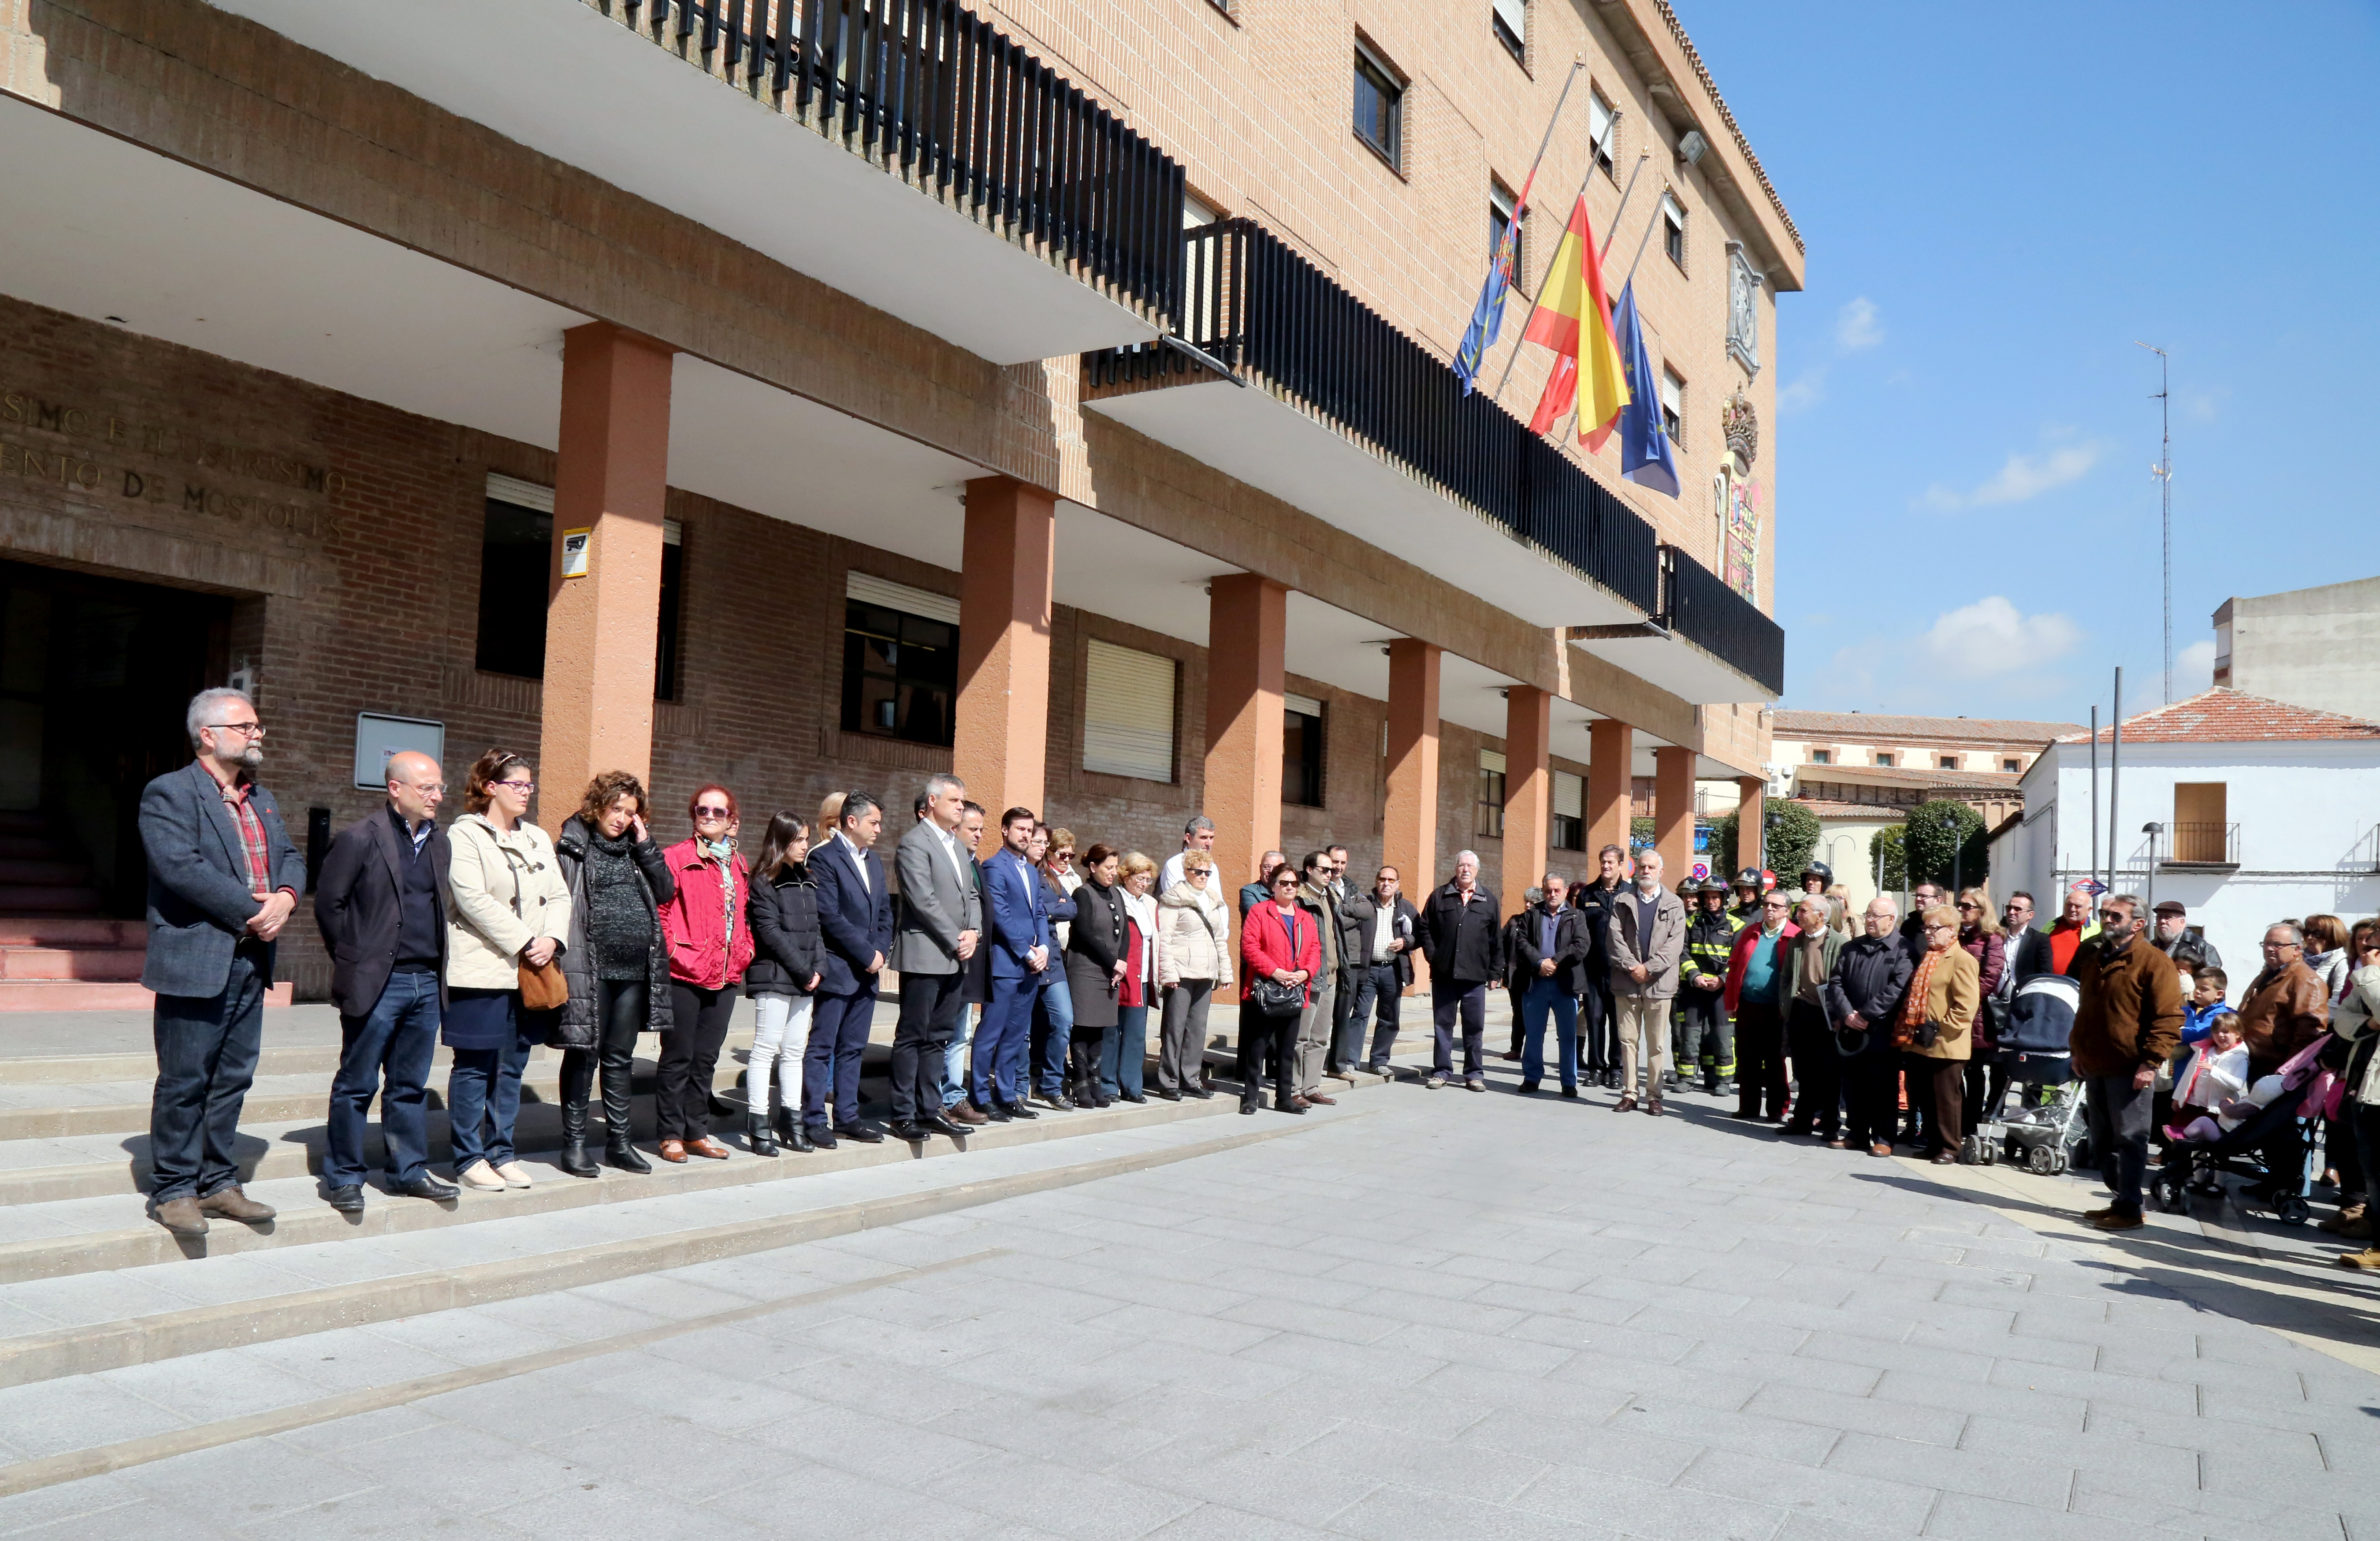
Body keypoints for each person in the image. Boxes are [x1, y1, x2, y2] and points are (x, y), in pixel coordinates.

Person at [138, 688, 305, 1237]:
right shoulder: (170, 792)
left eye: (258, 726)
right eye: (245, 726)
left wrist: (286, 897)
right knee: (185, 1079)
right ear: (207, 735)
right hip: (197, 955)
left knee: (233, 1077)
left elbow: (290, 856)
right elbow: (180, 868)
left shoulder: (262, 798)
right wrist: (254, 911)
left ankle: (218, 1182)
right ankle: (174, 1189)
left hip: (251, 959)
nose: (257, 734)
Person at [311, 750, 457, 1210]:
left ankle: (408, 1171)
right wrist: (356, 962)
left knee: (409, 1086)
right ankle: (344, 1177)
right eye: (427, 788)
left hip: (426, 981)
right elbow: (329, 906)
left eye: (439, 788)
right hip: (378, 983)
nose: (437, 796)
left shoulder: (439, 842)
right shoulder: (359, 838)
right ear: (396, 789)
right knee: (357, 1084)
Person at [441, 750, 568, 1192]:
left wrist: (552, 939)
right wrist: (526, 940)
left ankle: (501, 1152)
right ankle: (468, 1157)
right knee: (475, 1066)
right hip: (482, 968)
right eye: (517, 784)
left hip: (530, 970)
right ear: (490, 787)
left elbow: (560, 895)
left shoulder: (537, 837)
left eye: (530, 785)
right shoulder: (465, 834)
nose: (526, 792)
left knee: (512, 1066)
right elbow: (471, 899)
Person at [552, 771, 676, 1177]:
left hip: (635, 969)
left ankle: (619, 1144)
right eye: (616, 809)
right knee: (584, 1053)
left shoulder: (636, 850)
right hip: (591, 966)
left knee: (621, 1057)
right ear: (598, 805)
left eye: (630, 813)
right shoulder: (574, 845)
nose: (621, 819)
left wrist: (645, 843)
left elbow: (666, 890)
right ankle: (574, 1145)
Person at [2068, 893, 2184, 1230]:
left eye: (2115, 916)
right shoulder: (2096, 955)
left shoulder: (2154, 962)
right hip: (2096, 1063)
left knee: (2130, 1139)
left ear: (2138, 924)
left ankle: (2131, 1210)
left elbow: (2168, 1018)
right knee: (2103, 1141)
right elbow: (2086, 1009)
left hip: (2130, 1067)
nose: (2107, 919)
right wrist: (2078, 1050)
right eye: (2104, 913)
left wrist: (2150, 1063)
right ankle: (2122, 1201)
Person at [653, 785, 753, 1163]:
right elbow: (661, 912)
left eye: (718, 812)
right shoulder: (676, 858)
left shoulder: (738, 864)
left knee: (706, 1058)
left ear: (732, 821)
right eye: (702, 810)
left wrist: (746, 950)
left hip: (726, 973)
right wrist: (675, 951)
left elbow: (743, 914)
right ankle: (671, 1135)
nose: (709, 816)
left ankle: (696, 1132)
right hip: (685, 972)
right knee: (678, 1057)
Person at [886, 774, 978, 1144]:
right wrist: (956, 937)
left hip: (956, 955)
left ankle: (930, 1108)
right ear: (933, 801)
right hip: (926, 953)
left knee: (939, 1036)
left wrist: (973, 932)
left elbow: (972, 895)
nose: (960, 807)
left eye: (962, 801)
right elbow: (923, 900)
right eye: (955, 800)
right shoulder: (914, 843)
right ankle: (903, 1114)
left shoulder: (957, 846)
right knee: (913, 1035)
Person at [806, 792, 895, 1147]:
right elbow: (829, 915)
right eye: (874, 822)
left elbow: (885, 911)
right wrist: (865, 953)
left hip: (867, 972)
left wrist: (880, 952)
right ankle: (814, 1119)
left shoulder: (873, 861)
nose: (879, 830)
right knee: (823, 1046)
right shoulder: (825, 858)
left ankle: (847, 1117)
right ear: (852, 821)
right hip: (840, 968)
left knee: (854, 1048)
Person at [743, 811, 822, 1155]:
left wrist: (819, 968)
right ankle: (759, 1125)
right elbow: (769, 931)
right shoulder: (764, 879)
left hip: (805, 979)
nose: (805, 846)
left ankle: (792, 1121)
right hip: (775, 976)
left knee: (794, 1052)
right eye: (798, 840)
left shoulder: (807, 878)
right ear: (781, 841)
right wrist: (804, 971)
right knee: (765, 1048)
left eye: (807, 839)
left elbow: (817, 929)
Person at [978, 807, 1057, 1121]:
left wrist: (1045, 948)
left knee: (1016, 1035)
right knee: (991, 1033)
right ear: (1004, 830)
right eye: (1020, 829)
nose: (1026, 835)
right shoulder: (994, 867)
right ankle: (980, 1096)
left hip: (1031, 966)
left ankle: (1007, 1095)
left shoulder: (1031, 871)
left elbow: (1039, 912)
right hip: (1006, 963)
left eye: (1029, 830)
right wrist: (1027, 951)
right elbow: (1000, 915)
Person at [1825, 898, 1914, 1157]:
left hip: (1882, 1029)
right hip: (1852, 1028)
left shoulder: (1903, 949)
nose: (1870, 920)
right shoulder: (1852, 947)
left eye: (1876, 916)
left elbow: (1898, 989)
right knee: (1854, 1083)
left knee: (1883, 1085)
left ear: (1891, 920)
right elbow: (1836, 982)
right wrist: (1847, 1014)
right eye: (1868, 915)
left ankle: (1884, 1137)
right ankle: (1857, 1134)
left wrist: (1866, 1015)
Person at [1606, 849, 1685, 1115]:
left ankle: (1654, 1096)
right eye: (1642, 867)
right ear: (1636, 870)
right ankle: (1630, 1094)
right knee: (1628, 1041)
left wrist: (1649, 969)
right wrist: (1633, 967)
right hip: (1627, 982)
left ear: (1661, 872)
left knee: (1656, 1045)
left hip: (1659, 985)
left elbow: (1674, 945)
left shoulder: (1674, 904)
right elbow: (1614, 939)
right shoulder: (1622, 901)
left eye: (1651, 867)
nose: (1646, 871)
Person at [1417, 851, 1502, 1091]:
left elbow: (1496, 939)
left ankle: (1474, 1074)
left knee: (1474, 1028)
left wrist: (1495, 972)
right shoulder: (1439, 896)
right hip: (1445, 975)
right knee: (1443, 1026)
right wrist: (1434, 956)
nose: (1466, 870)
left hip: (1475, 977)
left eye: (1470, 866)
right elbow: (1424, 928)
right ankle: (1442, 1072)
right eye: (1462, 865)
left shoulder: (1489, 900)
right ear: (1455, 868)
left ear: (1477, 870)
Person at [1902, 904, 1980, 1164]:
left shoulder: (1962, 960)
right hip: (1921, 1039)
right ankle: (1933, 1143)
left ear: (1952, 931)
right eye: (1926, 928)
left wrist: (1941, 1028)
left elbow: (1967, 1006)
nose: (1928, 933)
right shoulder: (1928, 956)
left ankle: (1950, 1146)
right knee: (1925, 1096)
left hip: (1946, 1043)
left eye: (1934, 928)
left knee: (1947, 1099)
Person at [1240, 864, 1319, 1113]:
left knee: (1287, 1049)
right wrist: (1275, 972)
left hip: (1295, 988)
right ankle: (1251, 1097)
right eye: (1284, 883)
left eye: (1294, 884)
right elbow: (1250, 947)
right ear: (1273, 886)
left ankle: (1284, 1098)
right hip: (1266, 988)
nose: (1289, 888)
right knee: (1258, 1047)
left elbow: (1315, 949)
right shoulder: (1260, 912)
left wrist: (1305, 973)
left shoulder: (1305, 918)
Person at [1154, 848, 1231, 1099]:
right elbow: (1164, 939)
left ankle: (1191, 1078)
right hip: (1181, 972)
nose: (1203, 876)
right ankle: (1169, 1081)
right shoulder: (1173, 899)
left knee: (1197, 1029)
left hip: (1206, 973)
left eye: (1207, 873)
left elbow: (1219, 940)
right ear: (1186, 872)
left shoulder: (1212, 899)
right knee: (1174, 1028)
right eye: (1198, 872)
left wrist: (1225, 972)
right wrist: (1169, 973)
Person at [1511, 875, 1590, 1097]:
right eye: (1548, 891)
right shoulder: (1532, 914)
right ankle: (1532, 1078)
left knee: (1568, 1035)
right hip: (1536, 983)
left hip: (1565, 983)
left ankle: (1569, 1082)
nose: (1552, 895)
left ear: (1565, 891)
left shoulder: (1577, 916)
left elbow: (1582, 945)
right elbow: (1522, 943)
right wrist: (1540, 962)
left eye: (1557, 890)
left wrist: (1555, 962)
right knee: (1534, 1034)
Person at [1063, 844, 1127, 1108]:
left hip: (1109, 972)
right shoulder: (1083, 894)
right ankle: (1080, 1083)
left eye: (1115, 868)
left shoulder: (1116, 894)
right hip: (1086, 970)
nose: (1113, 873)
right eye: (1108, 868)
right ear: (1093, 867)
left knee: (1100, 1028)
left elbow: (1125, 932)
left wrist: (1121, 962)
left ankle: (1096, 1083)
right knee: (1083, 1027)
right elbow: (1084, 934)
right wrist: (1113, 962)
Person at [1725, 888, 1796, 1121]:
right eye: (1767, 904)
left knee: (1775, 1061)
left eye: (1776, 906)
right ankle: (1748, 1107)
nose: (1769, 909)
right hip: (1748, 1005)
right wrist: (1731, 1001)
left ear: (1787, 911)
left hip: (1777, 1009)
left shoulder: (1795, 936)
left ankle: (1777, 1109)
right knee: (1748, 1058)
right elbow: (1735, 965)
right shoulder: (1752, 931)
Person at [1340, 864, 1417, 1078]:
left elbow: (1419, 934)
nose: (1386, 884)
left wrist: (1406, 941)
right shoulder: (1364, 904)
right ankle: (1351, 1060)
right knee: (1360, 1015)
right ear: (1376, 881)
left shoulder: (1406, 908)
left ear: (1398, 884)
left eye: (1391, 881)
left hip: (1392, 970)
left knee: (1389, 1017)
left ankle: (1379, 1061)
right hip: (1368, 969)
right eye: (1383, 879)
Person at [1780, 897, 1846, 1142]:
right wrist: (1786, 1003)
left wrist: (1839, 1014)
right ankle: (1802, 1121)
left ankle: (1831, 1123)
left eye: (1803, 911)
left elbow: (1844, 982)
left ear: (1821, 915)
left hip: (1827, 1015)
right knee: (1804, 1070)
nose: (1798, 915)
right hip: (1801, 1010)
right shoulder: (1797, 941)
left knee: (1830, 1072)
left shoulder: (1839, 942)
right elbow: (1787, 976)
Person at [943, 800, 992, 1123]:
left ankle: (954, 1096)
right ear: (955, 829)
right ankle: (937, 1097)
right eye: (972, 829)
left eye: (981, 830)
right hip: (946, 959)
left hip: (971, 961)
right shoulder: (947, 862)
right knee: (943, 1032)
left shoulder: (976, 865)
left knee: (961, 1032)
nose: (978, 835)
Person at [1287, 851, 1346, 1105]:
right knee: (1300, 1036)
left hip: (1330, 975)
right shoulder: (1300, 900)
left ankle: (1311, 1086)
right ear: (1309, 870)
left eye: (1331, 870)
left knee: (1320, 1037)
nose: (1330, 874)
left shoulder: (1330, 897)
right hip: (1309, 976)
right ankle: (1293, 1088)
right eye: (1324, 870)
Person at [1031, 827, 1082, 1109]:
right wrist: (1052, 909)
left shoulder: (1051, 878)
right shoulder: (1025, 872)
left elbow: (1071, 909)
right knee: (1023, 1029)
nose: (1039, 846)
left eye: (1042, 842)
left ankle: (1050, 1085)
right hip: (1025, 957)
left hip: (1053, 960)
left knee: (1064, 1020)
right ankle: (1017, 1086)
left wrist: (1046, 910)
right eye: (1037, 841)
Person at [1675, 879, 1740, 1096]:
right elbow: (1682, 952)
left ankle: (1724, 1081)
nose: (1711, 902)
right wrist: (1694, 976)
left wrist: (1722, 979)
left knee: (1723, 1036)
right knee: (1690, 1035)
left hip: (1721, 992)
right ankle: (1686, 1077)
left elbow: (1739, 959)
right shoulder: (1690, 923)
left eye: (1715, 897)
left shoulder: (1736, 925)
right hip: (1694, 989)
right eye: (1707, 897)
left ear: (1724, 899)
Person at [1105, 853, 1160, 1105]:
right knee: (1112, 1032)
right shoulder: (1115, 897)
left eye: (1148, 880)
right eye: (1140, 878)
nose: (1144, 884)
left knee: (1136, 1034)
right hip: (1119, 973)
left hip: (1142, 977)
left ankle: (1132, 1085)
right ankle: (1108, 1085)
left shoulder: (1150, 903)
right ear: (1126, 876)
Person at [1954, 887, 2008, 1137]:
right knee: (1954, 1071)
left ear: (1981, 911)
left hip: (1977, 1014)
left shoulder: (1992, 939)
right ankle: (1956, 1120)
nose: (1961, 910)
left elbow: (1990, 976)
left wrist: (1966, 1001)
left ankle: (1971, 1123)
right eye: (1960, 905)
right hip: (1951, 1010)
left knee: (1974, 1071)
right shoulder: (1957, 935)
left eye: (1967, 906)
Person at [1573, 846, 1629, 1089]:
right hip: (1593, 970)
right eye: (1603, 862)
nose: (1606, 866)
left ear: (1621, 865)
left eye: (1611, 862)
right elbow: (1580, 931)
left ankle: (1616, 1069)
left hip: (1620, 971)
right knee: (1594, 1019)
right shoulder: (1587, 894)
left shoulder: (1631, 893)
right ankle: (1596, 1068)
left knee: (1618, 1022)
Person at [2149, 899, 2221, 979]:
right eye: (2159, 917)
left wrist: (2188, 981)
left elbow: (2212, 980)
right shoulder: (2151, 947)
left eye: (2168, 917)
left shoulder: (2201, 947)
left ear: (2182, 922)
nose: (2162, 921)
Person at [1159, 815, 1217, 896]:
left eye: (1211, 838)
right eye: (1204, 838)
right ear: (1189, 838)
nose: (1209, 843)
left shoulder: (1213, 867)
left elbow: (1218, 900)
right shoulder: (1175, 864)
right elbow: (1176, 898)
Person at [2044, 885, 2095, 976]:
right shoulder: (2051, 925)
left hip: (2079, 982)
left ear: (2089, 910)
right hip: (2048, 981)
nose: (2072, 909)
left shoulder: (2097, 929)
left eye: (2078, 906)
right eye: (2069, 905)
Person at [2002, 892, 2053, 982]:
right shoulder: (1997, 937)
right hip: (1996, 990)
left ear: (2030, 915)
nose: (2011, 912)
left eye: (2017, 909)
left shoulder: (2039, 940)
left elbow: (2045, 975)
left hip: (2024, 989)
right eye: (2009, 908)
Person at [2303, 914, 2352, 1000]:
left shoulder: (2341, 961)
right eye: (2307, 933)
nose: (2310, 937)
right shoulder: (2298, 958)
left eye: (2317, 934)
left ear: (2331, 936)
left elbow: (2338, 998)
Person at [1239, 849, 1286, 918]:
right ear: (1260, 869)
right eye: (1267, 867)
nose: (1271, 871)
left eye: (1276, 868)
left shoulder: (1290, 891)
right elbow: (1256, 916)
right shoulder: (1249, 891)